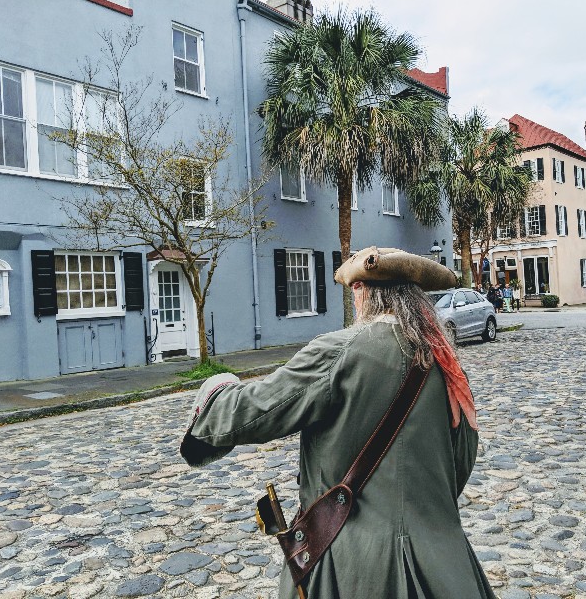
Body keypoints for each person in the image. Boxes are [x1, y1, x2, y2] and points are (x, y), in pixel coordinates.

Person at [180, 246, 496, 599]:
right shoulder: (446, 363)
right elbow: (462, 461)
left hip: (351, 567)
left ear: (363, 290)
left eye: (355, 290)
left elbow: (256, 412)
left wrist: (217, 386)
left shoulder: (339, 351)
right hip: (444, 565)